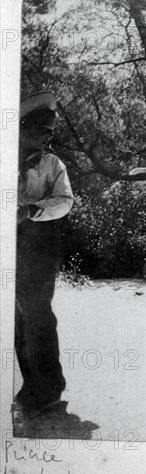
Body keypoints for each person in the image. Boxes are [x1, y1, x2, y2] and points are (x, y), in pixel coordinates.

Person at [13, 91, 75, 426]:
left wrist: (34, 210)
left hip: (39, 243)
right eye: (40, 130)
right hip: (8, 244)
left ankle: (48, 388)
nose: (46, 137)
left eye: (50, 132)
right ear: (22, 128)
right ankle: (29, 385)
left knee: (37, 312)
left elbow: (65, 200)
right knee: (14, 318)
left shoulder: (52, 164)